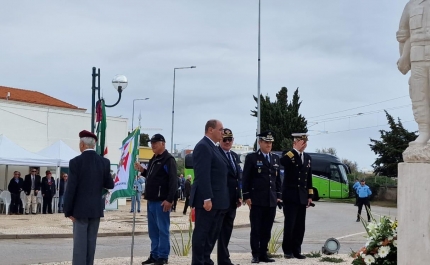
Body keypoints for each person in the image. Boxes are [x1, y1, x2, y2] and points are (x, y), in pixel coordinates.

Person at [63, 130, 114, 265]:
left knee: (80, 246)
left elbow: (71, 187)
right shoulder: (104, 162)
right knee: (91, 244)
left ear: (82, 144)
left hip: (79, 210)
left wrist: (67, 210)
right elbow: (110, 184)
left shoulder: (75, 162)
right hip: (96, 209)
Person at [190, 119, 229, 265]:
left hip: (219, 200)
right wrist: (207, 198)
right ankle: (198, 261)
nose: (223, 132)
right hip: (208, 200)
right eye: (220, 129)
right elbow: (202, 174)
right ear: (210, 130)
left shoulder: (215, 147)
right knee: (202, 232)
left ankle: (206, 259)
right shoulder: (203, 146)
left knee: (212, 233)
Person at [134, 133, 177, 265]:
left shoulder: (168, 160)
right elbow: (152, 176)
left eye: (155, 143)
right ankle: (154, 255)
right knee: (153, 231)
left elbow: (173, 181)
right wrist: (142, 170)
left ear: (163, 144)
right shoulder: (154, 159)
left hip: (162, 201)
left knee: (163, 230)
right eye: (151, 143)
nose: (152, 145)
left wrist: (169, 200)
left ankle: (163, 256)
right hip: (151, 200)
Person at [242, 130, 281, 264]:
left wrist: (278, 196)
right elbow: (246, 178)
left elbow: (277, 180)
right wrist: (246, 196)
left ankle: (264, 253)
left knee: (267, 229)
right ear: (260, 143)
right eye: (266, 142)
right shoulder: (252, 158)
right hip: (257, 200)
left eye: (270, 142)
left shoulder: (275, 158)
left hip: (271, 200)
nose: (269, 144)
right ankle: (255, 254)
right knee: (256, 229)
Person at [397, 1, 430, 145]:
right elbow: (403, 36)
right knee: (419, 96)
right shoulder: (411, 5)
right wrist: (404, 57)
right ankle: (424, 132)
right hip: (417, 56)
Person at [280, 133, 313, 260]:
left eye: (305, 142)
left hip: (302, 196)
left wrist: (310, 196)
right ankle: (287, 250)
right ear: (295, 143)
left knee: (300, 225)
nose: (304, 144)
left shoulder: (308, 157)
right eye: (301, 142)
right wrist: (295, 150)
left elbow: (308, 177)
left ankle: (297, 249)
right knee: (290, 224)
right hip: (290, 196)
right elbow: (283, 162)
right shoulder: (288, 154)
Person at [217, 128, 242, 265]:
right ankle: (220, 259)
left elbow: (237, 178)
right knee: (217, 231)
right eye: (224, 139)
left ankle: (224, 260)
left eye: (229, 139)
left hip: (232, 199)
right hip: (220, 199)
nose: (227, 142)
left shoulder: (234, 155)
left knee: (227, 230)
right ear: (220, 140)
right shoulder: (216, 154)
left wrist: (239, 196)